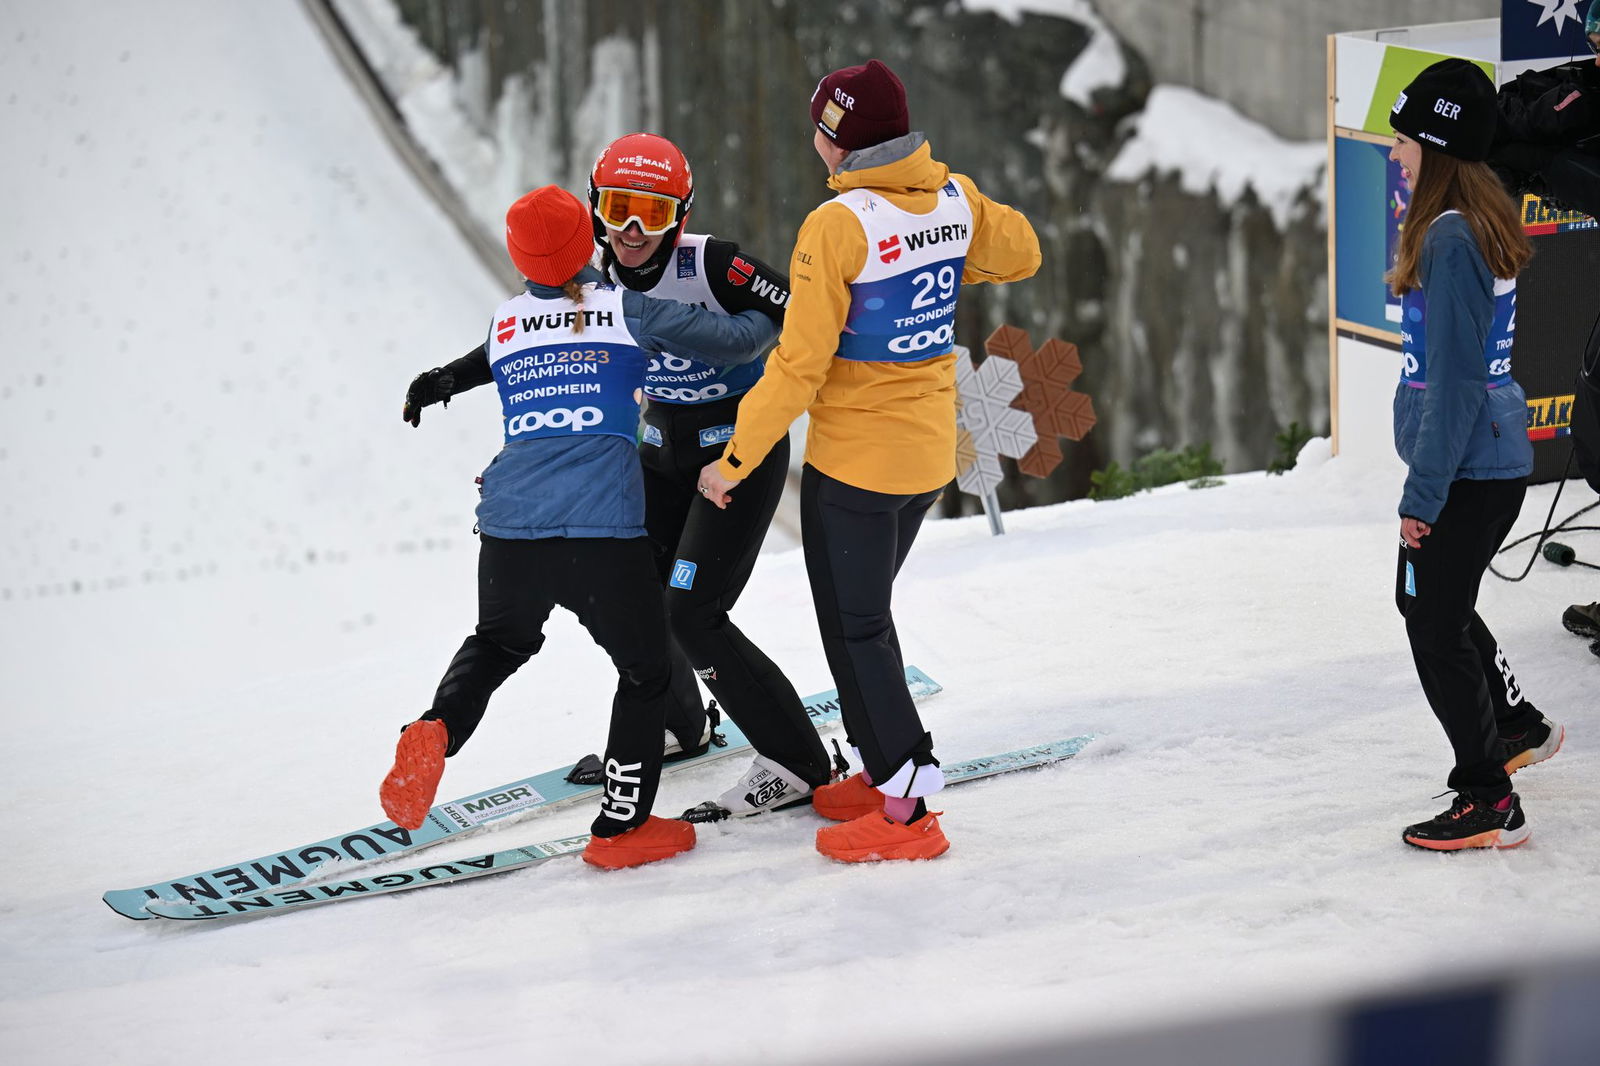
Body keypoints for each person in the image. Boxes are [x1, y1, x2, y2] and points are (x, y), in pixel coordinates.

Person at [412, 133, 837, 818]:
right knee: (637, 591)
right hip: (660, 450)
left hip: (735, 454)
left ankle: (798, 762)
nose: (633, 231)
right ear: (596, 211)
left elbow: (792, 306)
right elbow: (524, 336)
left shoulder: (713, 264)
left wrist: (760, 350)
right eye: (618, 210)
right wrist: (449, 379)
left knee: (693, 611)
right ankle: (677, 724)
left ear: (682, 214)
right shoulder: (590, 280)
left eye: (653, 213)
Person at [698, 59, 1042, 862]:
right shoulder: (953, 198)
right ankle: (876, 768)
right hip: (925, 461)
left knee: (858, 630)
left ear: (839, 138)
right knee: (856, 621)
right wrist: (949, 239)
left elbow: (799, 363)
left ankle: (909, 801)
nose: (814, 141)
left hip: (854, 466)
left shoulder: (839, 225)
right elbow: (1021, 253)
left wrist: (736, 459)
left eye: (820, 127)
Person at [1386, 60, 1563, 853]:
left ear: (1437, 149)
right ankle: (1515, 725)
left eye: (1403, 141)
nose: (1395, 156)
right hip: (1479, 462)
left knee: (1432, 622)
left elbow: (1455, 386)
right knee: (1432, 608)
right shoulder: (1471, 220)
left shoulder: (1452, 238)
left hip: (1468, 468)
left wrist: (1421, 497)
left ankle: (1488, 797)